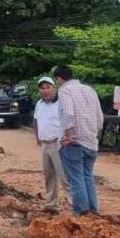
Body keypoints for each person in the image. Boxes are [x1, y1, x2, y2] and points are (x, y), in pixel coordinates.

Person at [54, 65, 105, 216]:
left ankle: (82, 213)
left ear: (59, 78)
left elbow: (68, 114)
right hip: (91, 142)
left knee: (76, 179)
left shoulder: (65, 90)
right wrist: (93, 135)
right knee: (88, 177)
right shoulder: (89, 90)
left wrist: (68, 136)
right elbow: (99, 118)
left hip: (75, 143)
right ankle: (93, 212)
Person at [32, 77, 67, 214]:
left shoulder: (61, 104)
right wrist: (37, 138)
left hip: (58, 144)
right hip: (45, 144)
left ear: (54, 88)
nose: (45, 90)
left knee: (64, 176)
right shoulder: (39, 104)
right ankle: (51, 205)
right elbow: (35, 121)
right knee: (49, 176)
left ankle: (74, 206)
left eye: (48, 87)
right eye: (42, 88)